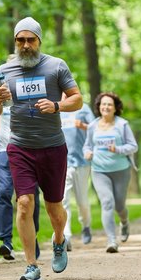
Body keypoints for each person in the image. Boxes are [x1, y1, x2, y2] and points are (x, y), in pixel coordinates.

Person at [0, 17, 83, 280]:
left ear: (39, 40)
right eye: (21, 40)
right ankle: (31, 265)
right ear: (15, 42)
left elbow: (77, 99)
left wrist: (56, 106)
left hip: (52, 146)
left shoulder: (56, 66)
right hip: (19, 146)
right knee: (24, 203)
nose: (26, 45)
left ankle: (59, 240)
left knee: (54, 209)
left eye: (31, 39)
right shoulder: (4, 71)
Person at [83, 92, 138, 253]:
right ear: (99, 107)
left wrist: (118, 149)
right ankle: (111, 240)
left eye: (109, 105)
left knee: (119, 205)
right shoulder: (93, 126)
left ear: (115, 108)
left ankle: (124, 222)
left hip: (121, 170)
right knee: (107, 202)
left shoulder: (122, 125)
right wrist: (87, 152)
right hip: (99, 171)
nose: (106, 107)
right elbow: (87, 145)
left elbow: (133, 146)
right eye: (103, 104)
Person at [0, 103, 41, 261]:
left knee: (30, 197)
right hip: (4, 152)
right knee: (3, 192)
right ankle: (7, 242)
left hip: (27, 151)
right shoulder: (0, 93)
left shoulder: (29, 93)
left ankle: (32, 236)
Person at [60, 96, 95, 250]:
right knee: (63, 201)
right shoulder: (57, 109)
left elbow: (97, 128)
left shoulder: (83, 108)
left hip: (81, 162)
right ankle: (66, 235)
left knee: (82, 201)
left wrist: (83, 126)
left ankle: (86, 225)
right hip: (61, 162)